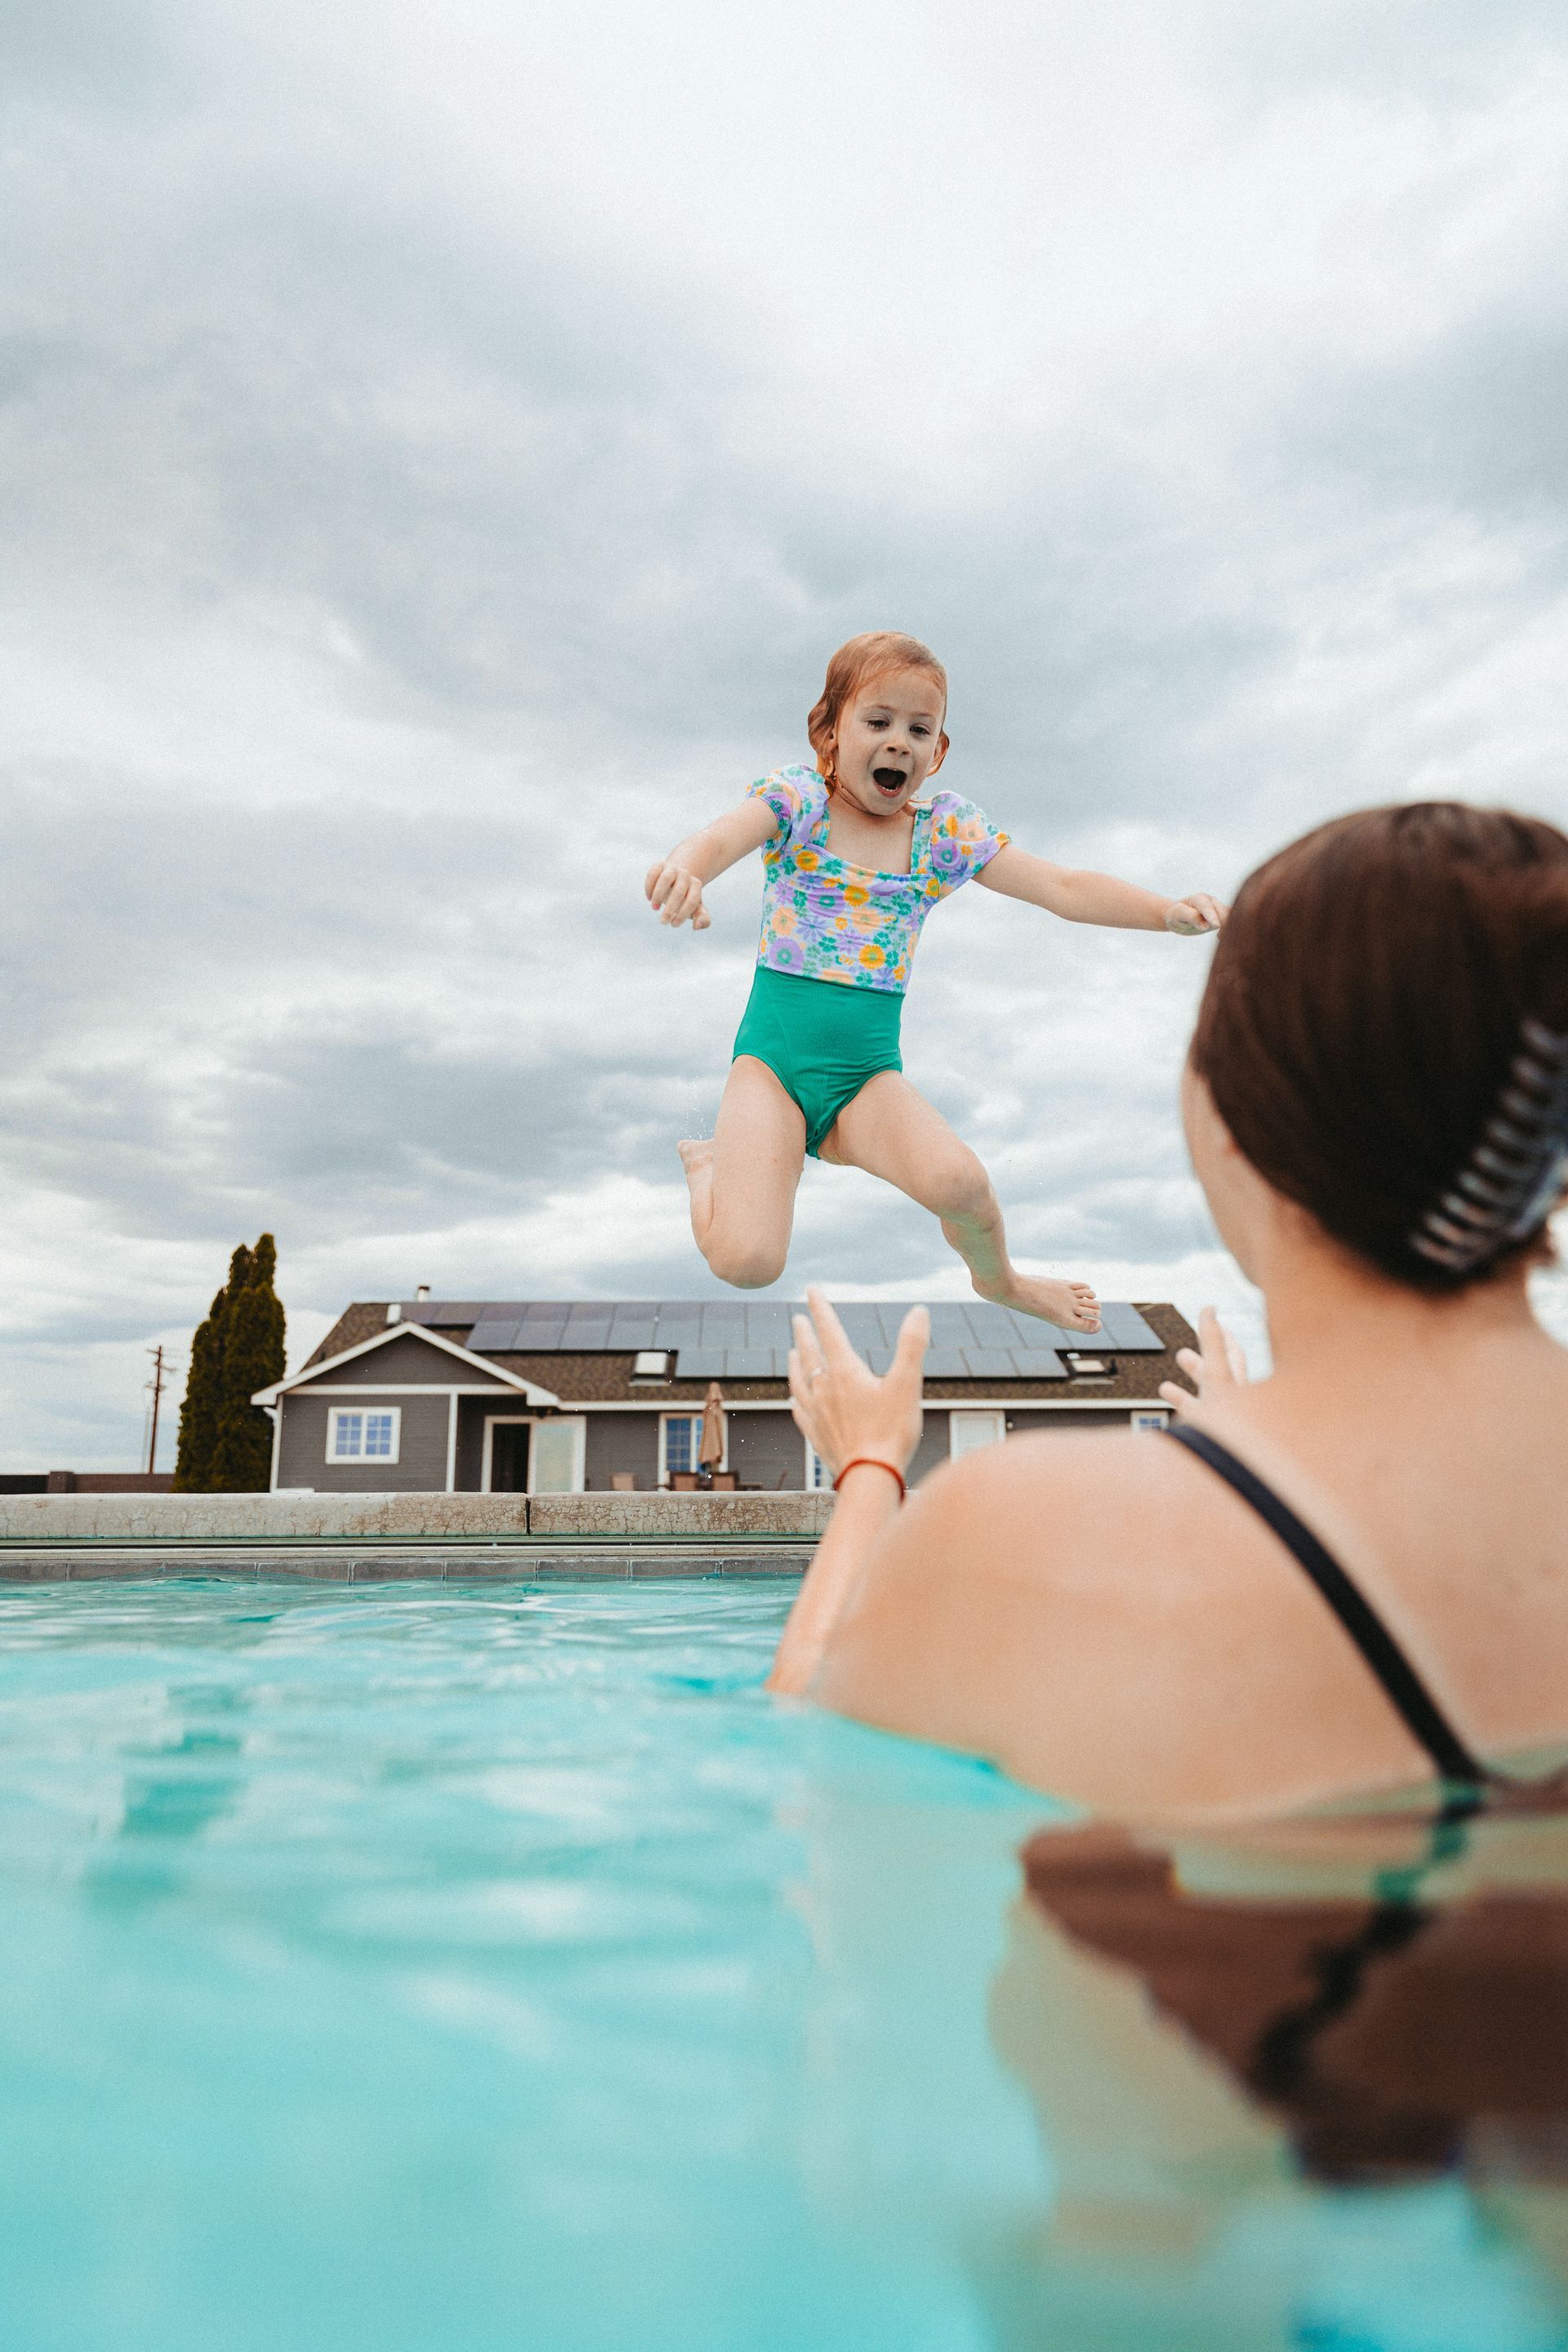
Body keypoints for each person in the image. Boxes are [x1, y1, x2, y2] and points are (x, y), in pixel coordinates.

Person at [768, 801, 1568, 1822]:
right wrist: (1250, 1440)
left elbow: (817, 1790)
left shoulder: (1022, 1536)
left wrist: (872, 1468)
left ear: (1223, 1124)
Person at [645, 631, 1225, 1334]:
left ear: (938, 753)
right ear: (829, 734)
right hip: (770, 1069)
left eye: (919, 729)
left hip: (864, 1079)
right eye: (878, 722)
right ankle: (711, 1170)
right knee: (748, 1263)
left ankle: (1003, 1281)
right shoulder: (798, 802)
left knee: (964, 1185)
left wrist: (1164, 913)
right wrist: (688, 869)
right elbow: (719, 838)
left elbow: (1063, 886)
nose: (899, 743)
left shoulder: (942, 834)